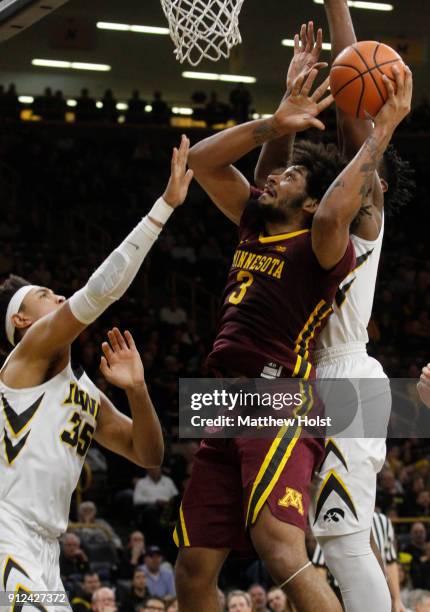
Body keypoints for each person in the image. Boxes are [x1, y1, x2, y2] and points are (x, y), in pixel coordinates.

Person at [175, 56, 361, 610]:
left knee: (279, 549)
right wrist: (275, 125)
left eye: (292, 177)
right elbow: (202, 162)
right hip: (225, 398)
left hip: (279, 394)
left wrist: (385, 129)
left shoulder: (320, 244)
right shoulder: (255, 223)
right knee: (192, 566)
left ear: (310, 202)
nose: (276, 177)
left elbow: (333, 215)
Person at [253, 12, 413, 612]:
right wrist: (283, 111)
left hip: (345, 380)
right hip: (296, 383)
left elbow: (355, 113)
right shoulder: (296, 230)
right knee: (308, 540)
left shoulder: (362, 218)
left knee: (344, 540)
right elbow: (267, 180)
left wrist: (338, 6)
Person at [0, 136, 193, 604]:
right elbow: (99, 291)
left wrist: (139, 391)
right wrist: (163, 209)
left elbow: (148, 454)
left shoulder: (83, 393)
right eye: (45, 296)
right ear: (22, 320)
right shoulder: (26, 356)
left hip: (45, 548)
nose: (60, 298)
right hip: (6, 531)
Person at [313, 510, 405, 611]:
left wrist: (397, 598)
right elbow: (320, 567)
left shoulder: (383, 522)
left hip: (376, 589)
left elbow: (390, 562)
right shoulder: (335, 517)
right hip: (341, 592)